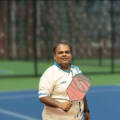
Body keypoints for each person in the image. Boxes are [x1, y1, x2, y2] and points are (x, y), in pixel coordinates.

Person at [38, 41, 90, 120]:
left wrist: (86, 111)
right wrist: (60, 104)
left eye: (67, 52)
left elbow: (81, 92)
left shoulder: (76, 70)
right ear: (55, 56)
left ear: (71, 55)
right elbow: (43, 97)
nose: (64, 54)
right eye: (60, 53)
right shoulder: (49, 73)